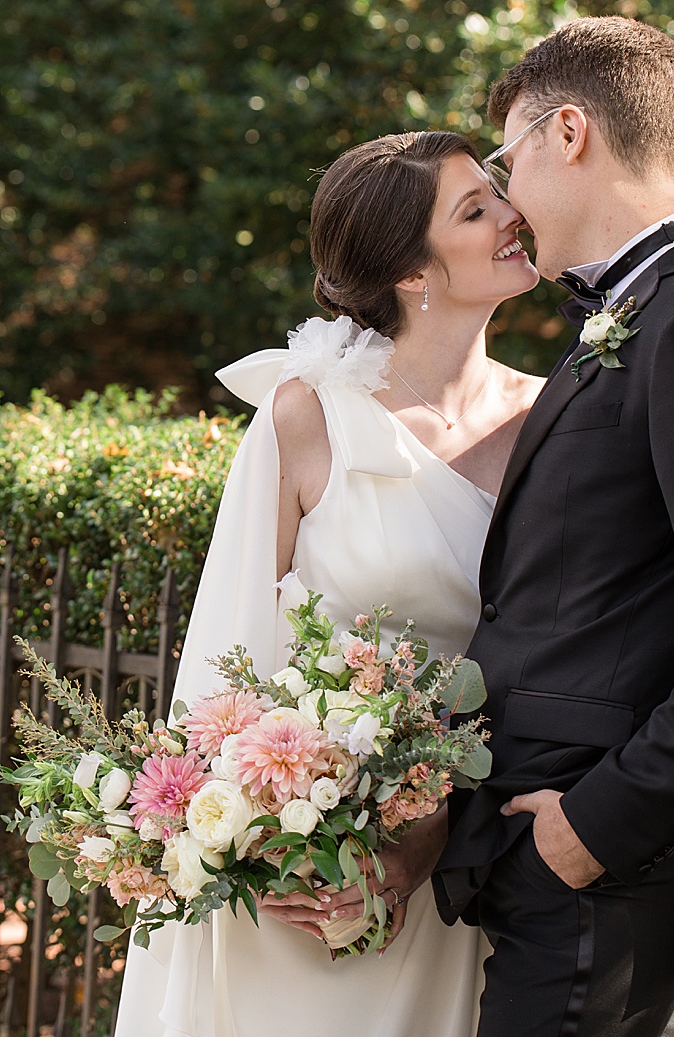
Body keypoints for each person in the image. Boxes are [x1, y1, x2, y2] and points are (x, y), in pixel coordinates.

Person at [427, 16, 674, 1035]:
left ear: (570, 134)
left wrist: (595, 827)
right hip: (545, 870)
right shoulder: (625, 318)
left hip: (601, 876)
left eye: (507, 157)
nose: (507, 193)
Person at [112, 130, 542, 1035]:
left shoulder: (554, 418)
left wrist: (426, 833)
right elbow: (223, 665)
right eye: (476, 209)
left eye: (498, 192)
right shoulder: (310, 414)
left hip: (449, 863)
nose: (514, 213)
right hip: (298, 877)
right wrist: (261, 843)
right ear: (411, 272)